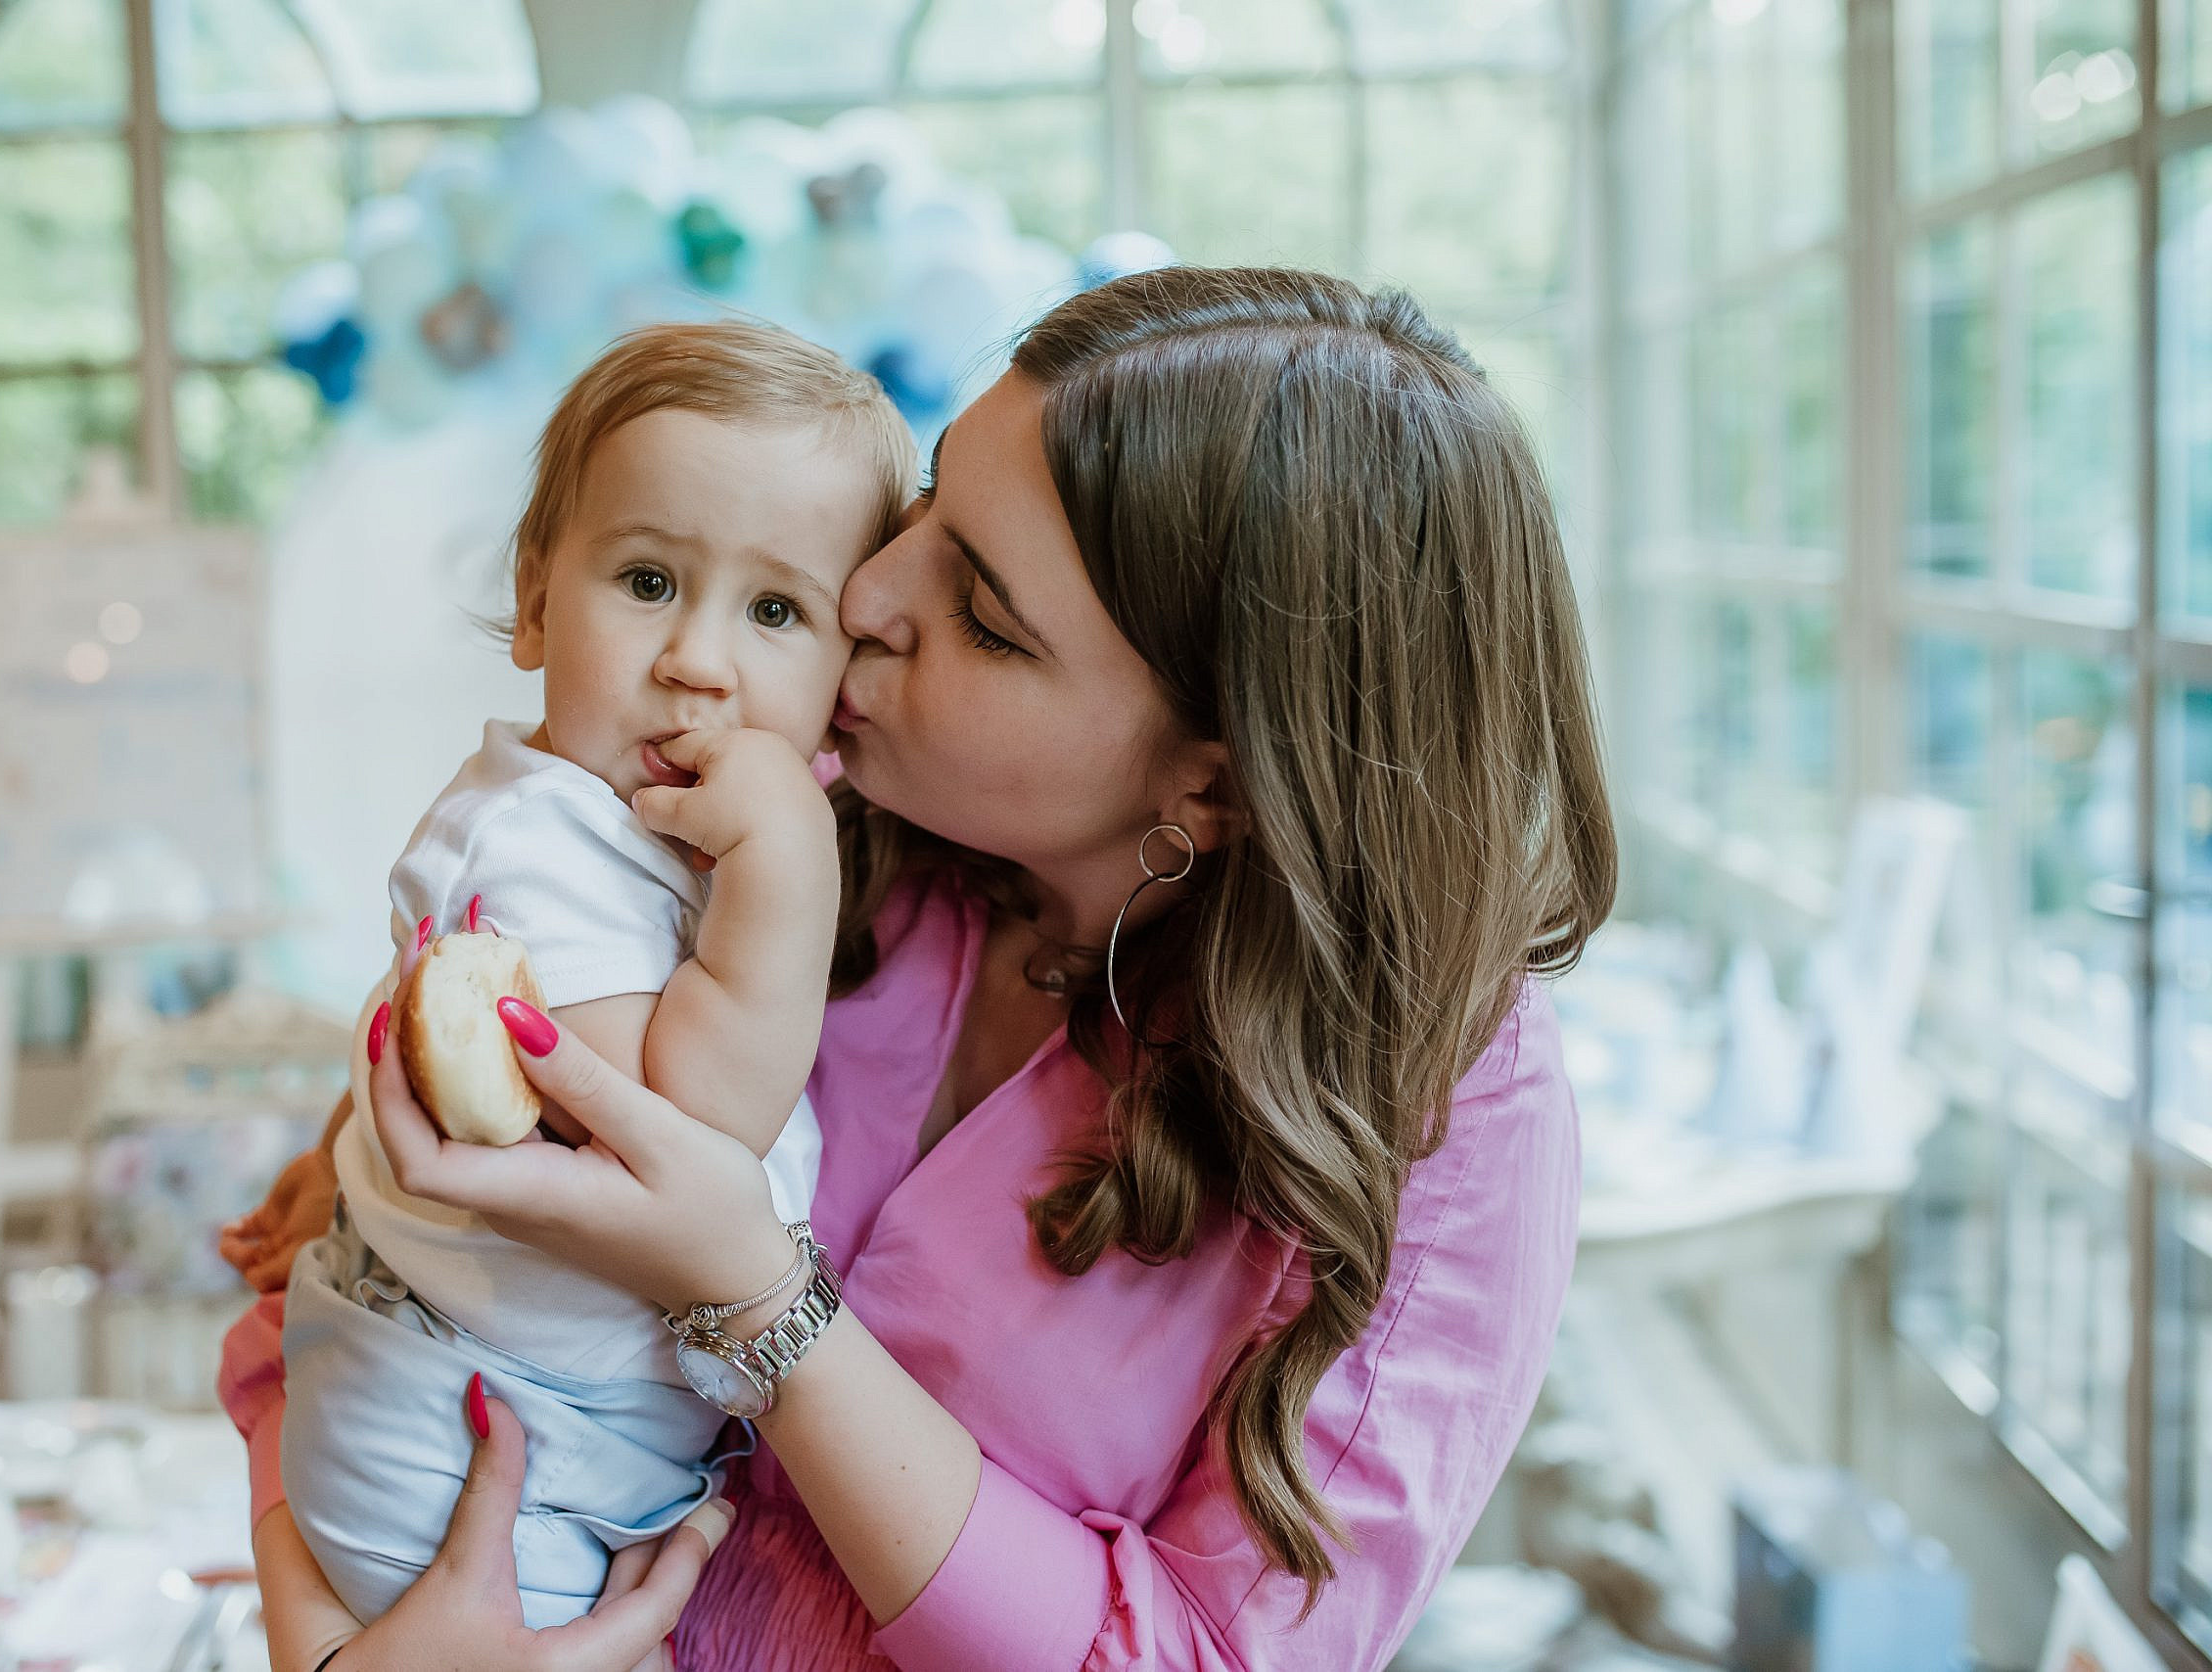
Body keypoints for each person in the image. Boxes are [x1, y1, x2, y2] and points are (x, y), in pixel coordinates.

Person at [218, 265, 1617, 1671]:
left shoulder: (1442, 1106)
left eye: (986, 614)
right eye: (929, 508)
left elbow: (1205, 1652)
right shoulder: (749, 792)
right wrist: (339, 1640)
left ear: (1218, 783)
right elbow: (332, 1270)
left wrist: (759, 1302)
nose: (867, 594)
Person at [256, 321, 915, 1630]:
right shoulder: (531, 842)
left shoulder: (639, 844)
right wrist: (792, 864)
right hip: (471, 1460)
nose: (698, 661)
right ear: (537, 598)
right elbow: (684, 1129)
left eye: (776, 611)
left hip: (557, 1436)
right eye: (649, 581)